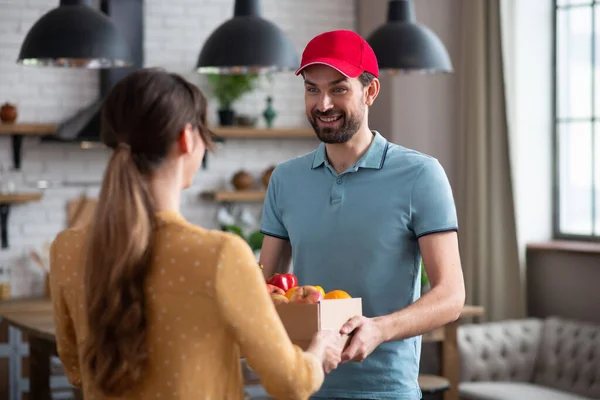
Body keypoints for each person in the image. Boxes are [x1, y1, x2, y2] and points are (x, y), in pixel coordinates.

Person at [48, 67, 343, 400]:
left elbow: (74, 367)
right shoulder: (220, 254)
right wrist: (319, 349)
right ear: (186, 138)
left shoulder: (66, 249)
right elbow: (291, 383)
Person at [259, 30, 466, 400]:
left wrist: (379, 329)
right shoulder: (285, 179)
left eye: (338, 89)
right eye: (312, 89)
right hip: (303, 384)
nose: (323, 104)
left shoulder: (421, 175)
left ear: (370, 92)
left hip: (385, 390)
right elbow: (267, 286)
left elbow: (451, 295)